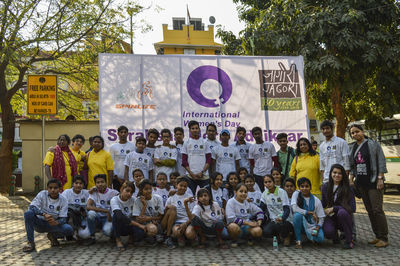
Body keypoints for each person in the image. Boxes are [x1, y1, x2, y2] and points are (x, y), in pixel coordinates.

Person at [349, 124, 389, 248]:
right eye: (352, 133)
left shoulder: (373, 144)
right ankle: (377, 236)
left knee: (377, 210)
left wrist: (380, 178)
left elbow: (381, 161)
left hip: (374, 182)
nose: (355, 134)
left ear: (362, 131)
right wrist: (351, 179)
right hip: (361, 183)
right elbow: (352, 165)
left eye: (357, 131)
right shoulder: (353, 147)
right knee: (370, 211)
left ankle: (384, 237)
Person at [23, 179, 73, 252]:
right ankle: (30, 242)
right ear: (47, 188)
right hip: (39, 223)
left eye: (55, 188)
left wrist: (56, 222)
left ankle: (53, 236)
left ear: (60, 189)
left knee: (68, 229)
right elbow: (32, 207)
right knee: (28, 214)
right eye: (50, 188)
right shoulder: (42, 194)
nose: (53, 190)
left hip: (53, 224)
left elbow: (63, 219)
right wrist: (43, 214)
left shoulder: (63, 200)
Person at [322, 164, 356, 249]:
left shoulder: (348, 188)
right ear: (330, 173)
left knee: (341, 213)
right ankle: (334, 236)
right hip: (331, 216)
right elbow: (323, 203)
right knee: (328, 231)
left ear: (343, 175)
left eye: (340, 173)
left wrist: (334, 208)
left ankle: (349, 240)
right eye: (334, 172)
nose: (337, 175)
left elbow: (352, 208)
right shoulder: (325, 186)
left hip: (344, 216)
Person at [226, 183, 263, 247]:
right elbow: (231, 219)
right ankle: (234, 240)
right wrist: (248, 223)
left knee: (258, 231)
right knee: (232, 227)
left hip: (246, 227)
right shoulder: (231, 202)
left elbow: (260, 211)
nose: (243, 193)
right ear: (235, 192)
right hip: (236, 226)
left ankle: (249, 238)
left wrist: (259, 221)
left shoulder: (247, 202)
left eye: (245, 192)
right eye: (241, 191)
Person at [111, 181, 145, 250]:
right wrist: (139, 225)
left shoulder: (134, 200)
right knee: (116, 216)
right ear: (121, 189)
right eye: (127, 191)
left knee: (141, 232)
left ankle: (131, 238)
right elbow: (119, 216)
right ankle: (118, 240)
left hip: (129, 225)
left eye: (131, 192)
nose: (129, 194)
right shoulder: (114, 199)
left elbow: (139, 216)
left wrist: (144, 205)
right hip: (118, 226)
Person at [291, 177, 325, 249]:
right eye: (302, 186)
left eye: (307, 186)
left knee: (320, 239)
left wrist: (317, 228)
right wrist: (309, 212)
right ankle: (298, 240)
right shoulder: (296, 195)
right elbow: (294, 209)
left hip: (312, 225)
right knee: (297, 215)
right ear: (299, 188)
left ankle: (306, 236)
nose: (304, 188)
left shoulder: (316, 200)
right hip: (300, 224)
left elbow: (321, 217)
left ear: (310, 187)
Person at [86, 174, 119, 245]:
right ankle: (92, 237)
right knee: (90, 214)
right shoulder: (94, 192)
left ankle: (113, 236)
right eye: (98, 182)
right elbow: (88, 206)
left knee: (108, 231)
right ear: (95, 184)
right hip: (98, 217)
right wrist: (106, 211)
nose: (100, 184)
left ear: (106, 182)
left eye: (102, 182)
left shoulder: (114, 193)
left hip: (109, 218)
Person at [260, 174, 292, 246]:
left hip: (285, 220)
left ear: (273, 182)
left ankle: (287, 236)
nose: (268, 184)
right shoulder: (264, 194)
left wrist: (282, 218)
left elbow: (287, 208)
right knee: (265, 232)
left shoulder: (282, 192)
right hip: (274, 220)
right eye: (266, 182)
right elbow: (261, 207)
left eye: (270, 181)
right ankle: (277, 236)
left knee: (283, 225)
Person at [164, 177, 196, 247]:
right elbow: (166, 212)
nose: (183, 188)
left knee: (190, 234)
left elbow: (193, 214)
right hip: (177, 222)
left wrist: (185, 224)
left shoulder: (189, 198)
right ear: (176, 185)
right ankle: (180, 236)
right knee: (177, 232)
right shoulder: (171, 198)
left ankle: (191, 236)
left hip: (188, 222)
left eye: (185, 186)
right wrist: (167, 207)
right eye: (181, 185)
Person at [181, 120, 211, 194]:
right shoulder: (186, 142)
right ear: (190, 130)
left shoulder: (205, 142)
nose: (195, 130)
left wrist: (202, 172)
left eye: (196, 128)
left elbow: (208, 160)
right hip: (191, 176)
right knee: (190, 198)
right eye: (192, 128)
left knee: (207, 197)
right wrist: (191, 174)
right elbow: (184, 161)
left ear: (199, 129)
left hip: (203, 176)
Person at [133, 179, 165, 245]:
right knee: (152, 229)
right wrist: (144, 205)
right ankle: (149, 237)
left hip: (157, 222)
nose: (149, 191)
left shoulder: (158, 198)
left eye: (150, 189)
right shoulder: (137, 201)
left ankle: (156, 236)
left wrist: (150, 218)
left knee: (154, 228)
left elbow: (161, 216)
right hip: (145, 224)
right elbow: (139, 220)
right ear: (141, 190)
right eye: (146, 189)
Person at [249, 126, 278, 192]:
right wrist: (252, 175)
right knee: (260, 191)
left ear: (261, 134)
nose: (257, 135)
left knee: (270, 191)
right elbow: (251, 163)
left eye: (258, 133)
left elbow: (275, 160)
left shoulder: (269, 145)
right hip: (257, 174)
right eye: (255, 134)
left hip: (268, 173)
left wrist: (274, 172)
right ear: (253, 135)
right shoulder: (252, 148)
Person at [62, 175, 90, 240]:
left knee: (84, 235)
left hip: (82, 217)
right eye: (76, 183)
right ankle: (68, 233)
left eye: (80, 183)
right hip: (69, 217)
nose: (78, 185)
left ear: (83, 185)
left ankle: (78, 232)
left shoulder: (86, 193)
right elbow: (62, 206)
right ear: (72, 184)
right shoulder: (66, 192)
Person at [109, 126, 135, 191]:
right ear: (118, 134)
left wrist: (127, 178)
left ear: (127, 134)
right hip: (117, 178)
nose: (123, 134)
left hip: (129, 178)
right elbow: (111, 163)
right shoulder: (113, 147)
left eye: (125, 132)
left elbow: (133, 162)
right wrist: (116, 177)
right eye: (121, 132)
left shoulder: (132, 146)